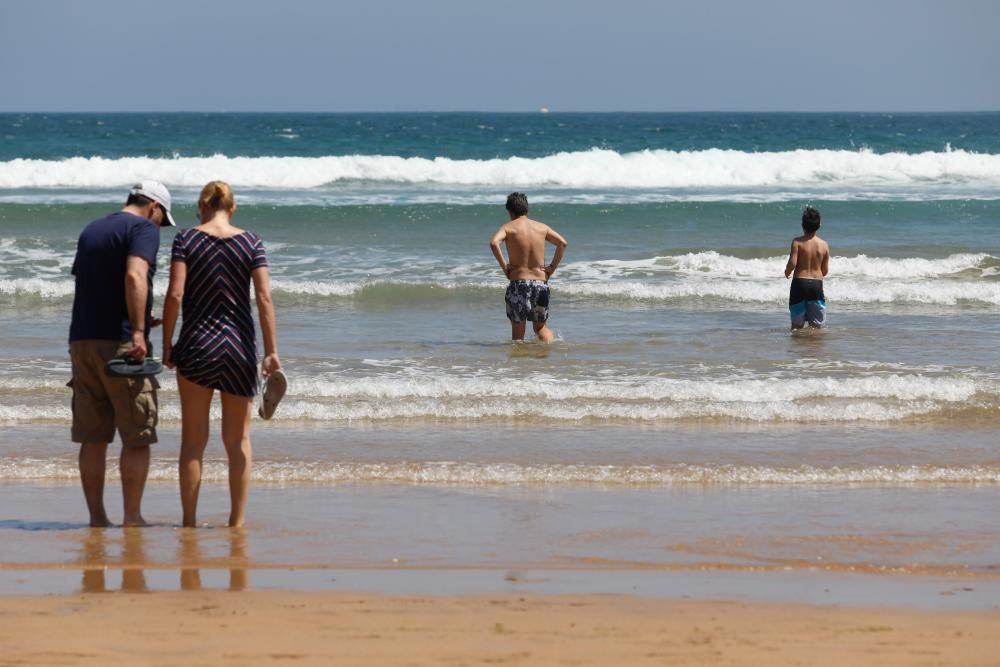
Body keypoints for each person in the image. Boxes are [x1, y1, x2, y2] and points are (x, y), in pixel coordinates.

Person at [161, 181, 280, 528]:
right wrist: (271, 351)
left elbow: (175, 294)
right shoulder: (251, 241)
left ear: (202, 205)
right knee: (238, 440)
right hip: (239, 348)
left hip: (197, 345)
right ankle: (237, 522)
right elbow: (264, 298)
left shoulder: (186, 239)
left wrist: (168, 344)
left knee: (193, 441)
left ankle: (189, 522)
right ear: (233, 208)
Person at [68, 180, 176, 527]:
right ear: (154, 207)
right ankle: (132, 516)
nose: (160, 226)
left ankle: (97, 518)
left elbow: (90, 284)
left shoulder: (92, 229)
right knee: (137, 435)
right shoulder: (143, 227)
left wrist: (143, 317)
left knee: (93, 437)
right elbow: (134, 275)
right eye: (162, 219)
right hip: (121, 343)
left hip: (82, 340)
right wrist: (140, 330)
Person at [489, 192, 568, 343]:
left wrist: (505, 267)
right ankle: (548, 351)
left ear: (510, 212)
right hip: (540, 284)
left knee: (518, 333)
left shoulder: (508, 227)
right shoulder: (541, 227)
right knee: (540, 328)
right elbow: (562, 243)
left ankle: (520, 364)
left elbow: (494, 243)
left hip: (519, 284)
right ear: (527, 210)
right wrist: (551, 268)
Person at [784, 205, 830, 329]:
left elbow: (792, 263)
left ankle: (797, 347)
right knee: (816, 326)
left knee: (796, 326)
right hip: (816, 285)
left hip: (799, 283)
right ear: (819, 226)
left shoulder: (797, 242)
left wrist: (787, 271)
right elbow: (825, 271)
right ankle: (812, 347)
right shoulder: (824, 245)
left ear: (802, 225)